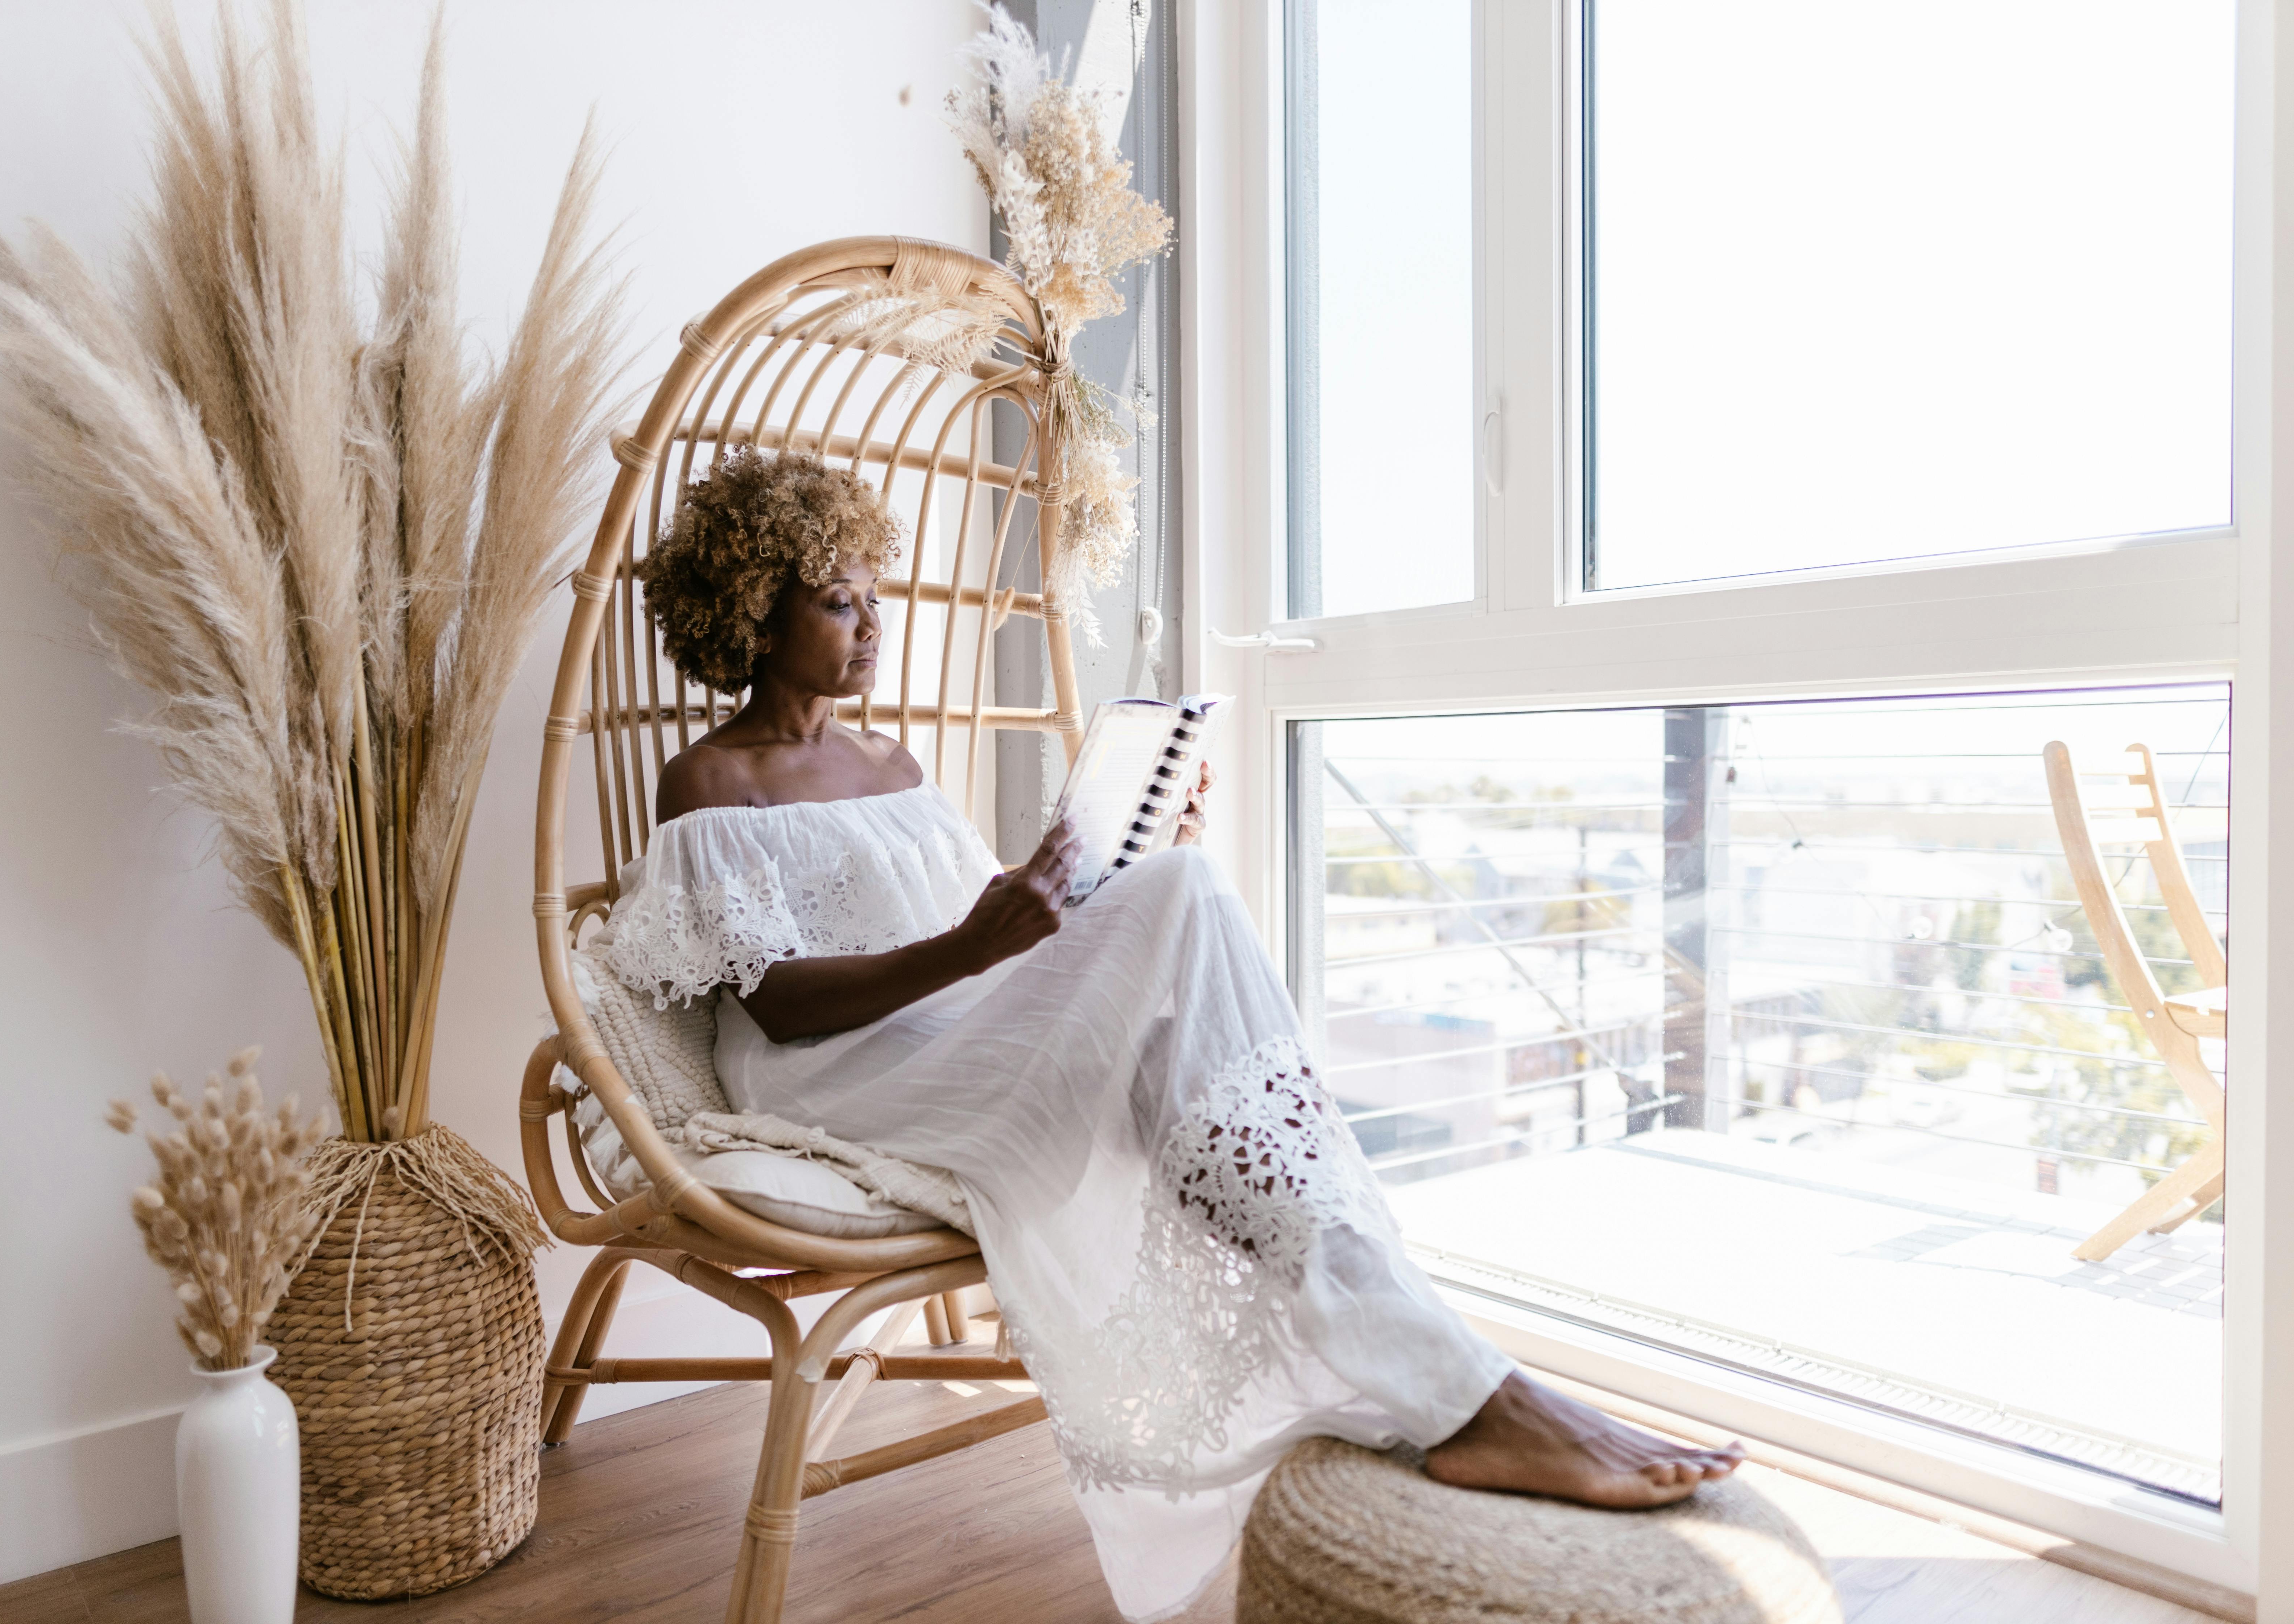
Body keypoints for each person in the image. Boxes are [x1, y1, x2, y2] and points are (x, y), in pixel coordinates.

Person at [607, 449, 1742, 1620]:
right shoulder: (711, 782)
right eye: (837, 601)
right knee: (1189, 922)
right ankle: (1469, 1389)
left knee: (1179, 902)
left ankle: (1454, 1379)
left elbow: (984, 922)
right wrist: (975, 950)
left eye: (875, 595)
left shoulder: (890, 762)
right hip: (834, 1074)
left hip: (957, 1029)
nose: (871, 624)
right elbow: (777, 1002)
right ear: (751, 611)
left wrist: (1107, 858)